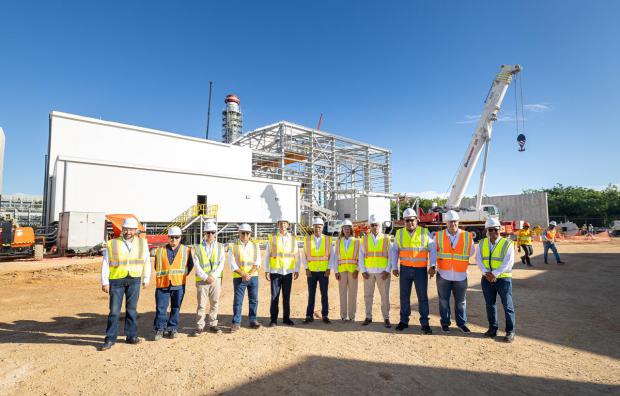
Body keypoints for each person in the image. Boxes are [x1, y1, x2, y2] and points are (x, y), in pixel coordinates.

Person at [99, 217, 151, 351]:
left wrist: (146, 278)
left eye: (131, 229)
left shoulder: (142, 243)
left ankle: (131, 336)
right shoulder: (112, 243)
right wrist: (105, 281)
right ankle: (110, 339)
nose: (128, 232)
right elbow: (105, 263)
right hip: (116, 280)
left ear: (136, 230)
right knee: (114, 311)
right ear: (122, 230)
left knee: (132, 310)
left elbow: (146, 261)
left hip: (134, 279)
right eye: (126, 229)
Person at [391, 208, 436, 334]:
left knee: (422, 297)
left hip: (420, 270)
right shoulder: (399, 233)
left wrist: (432, 266)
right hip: (405, 269)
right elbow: (395, 251)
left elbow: (432, 249)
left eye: (412, 220)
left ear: (417, 220)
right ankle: (404, 321)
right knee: (404, 297)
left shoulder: (425, 232)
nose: (410, 223)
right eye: (407, 220)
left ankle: (425, 323)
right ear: (404, 221)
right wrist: (394, 267)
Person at [476, 217, 516, 343]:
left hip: (503, 279)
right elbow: (479, 259)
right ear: (486, 231)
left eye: (496, 229)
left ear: (500, 230)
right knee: (490, 305)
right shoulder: (482, 243)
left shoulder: (507, 243)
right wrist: (486, 273)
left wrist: (494, 274)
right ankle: (493, 329)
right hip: (486, 278)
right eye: (491, 230)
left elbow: (508, 262)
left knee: (507, 306)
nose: (493, 232)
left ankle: (510, 331)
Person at [435, 210, 475, 333]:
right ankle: (445, 323)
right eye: (450, 222)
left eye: (455, 221)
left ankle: (461, 323)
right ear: (446, 223)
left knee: (461, 302)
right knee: (443, 300)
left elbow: (472, 251)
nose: (453, 224)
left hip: (460, 274)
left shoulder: (467, 236)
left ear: (458, 222)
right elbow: (433, 252)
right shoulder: (438, 235)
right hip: (443, 274)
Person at [152, 226, 194, 340]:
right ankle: (160, 329)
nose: (174, 240)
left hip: (179, 283)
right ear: (168, 237)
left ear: (180, 238)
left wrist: (179, 276)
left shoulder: (186, 250)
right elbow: (156, 266)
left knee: (176, 307)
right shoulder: (160, 251)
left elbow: (190, 266)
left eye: (176, 237)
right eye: (171, 237)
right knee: (161, 307)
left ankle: (172, 328)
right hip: (162, 283)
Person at [190, 221, 226, 336]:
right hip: (202, 280)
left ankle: (213, 324)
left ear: (215, 233)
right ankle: (200, 326)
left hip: (215, 280)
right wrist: (206, 277)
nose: (210, 234)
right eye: (208, 232)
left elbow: (221, 263)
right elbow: (196, 264)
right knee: (201, 304)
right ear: (204, 233)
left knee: (215, 302)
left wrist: (213, 276)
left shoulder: (220, 247)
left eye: (212, 232)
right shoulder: (198, 247)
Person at [359, 214, 393, 328]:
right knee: (368, 296)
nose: (375, 227)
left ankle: (386, 318)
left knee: (385, 296)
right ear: (370, 226)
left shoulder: (386, 239)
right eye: (372, 225)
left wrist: (387, 270)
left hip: (383, 273)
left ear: (380, 225)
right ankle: (368, 317)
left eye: (376, 225)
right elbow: (361, 255)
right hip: (368, 273)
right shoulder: (364, 239)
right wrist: (363, 270)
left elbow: (391, 256)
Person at [264, 218, 300, 327]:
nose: (283, 225)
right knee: (274, 296)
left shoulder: (293, 240)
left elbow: (297, 255)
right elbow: (267, 255)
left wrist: (297, 269)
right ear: (278, 225)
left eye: (285, 223)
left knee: (286, 296)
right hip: (276, 271)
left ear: (288, 225)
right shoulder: (273, 239)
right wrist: (267, 270)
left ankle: (286, 318)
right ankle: (273, 320)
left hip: (288, 271)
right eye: (281, 223)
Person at [228, 223, 261, 332]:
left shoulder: (255, 246)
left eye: (247, 233)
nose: (245, 235)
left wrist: (248, 274)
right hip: (239, 277)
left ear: (250, 234)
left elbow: (257, 263)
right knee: (238, 301)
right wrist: (243, 274)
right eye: (243, 233)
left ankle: (253, 320)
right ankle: (236, 322)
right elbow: (232, 264)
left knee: (254, 300)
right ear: (239, 233)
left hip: (253, 277)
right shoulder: (233, 246)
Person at [301, 217, 333, 324]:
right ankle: (309, 315)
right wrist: (306, 268)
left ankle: (325, 315)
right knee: (311, 294)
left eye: (319, 227)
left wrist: (329, 268)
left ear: (322, 227)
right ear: (313, 228)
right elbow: (304, 255)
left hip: (324, 271)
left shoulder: (328, 239)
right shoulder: (307, 239)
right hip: (312, 272)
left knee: (324, 294)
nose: (317, 229)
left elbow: (331, 256)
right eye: (315, 227)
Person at [333, 219, 359, 321]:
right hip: (342, 270)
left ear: (351, 229)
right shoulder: (338, 241)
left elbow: (360, 257)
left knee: (353, 294)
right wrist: (336, 271)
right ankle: (343, 315)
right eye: (345, 228)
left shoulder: (357, 241)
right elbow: (335, 257)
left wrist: (357, 269)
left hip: (353, 271)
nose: (347, 230)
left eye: (348, 228)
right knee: (342, 293)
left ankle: (352, 316)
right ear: (342, 229)